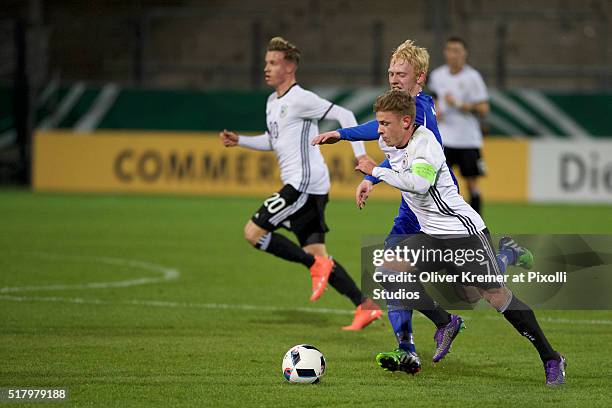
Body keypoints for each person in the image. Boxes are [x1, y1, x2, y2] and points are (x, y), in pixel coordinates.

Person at [355, 89, 566, 387]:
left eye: (385, 124)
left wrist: (373, 171)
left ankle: (551, 358)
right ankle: (446, 322)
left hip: (462, 233)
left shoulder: (425, 143)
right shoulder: (390, 141)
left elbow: (419, 183)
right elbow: (396, 164)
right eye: (378, 123)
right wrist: (370, 180)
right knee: (389, 269)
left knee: (492, 296)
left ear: (406, 121)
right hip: (430, 235)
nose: (379, 131)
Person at [313, 39, 464, 374]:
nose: (394, 78)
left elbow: (374, 133)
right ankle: (408, 348)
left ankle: (447, 321)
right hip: (413, 207)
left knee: (477, 281)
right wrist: (372, 179)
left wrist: (342, 134)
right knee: (390, 273)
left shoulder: (420, 108)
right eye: (391, 72)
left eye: (402, 73)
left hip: (438, 210)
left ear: (419, 78)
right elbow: (396, 154)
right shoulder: (402, 113)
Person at [219, 36, 382, 330]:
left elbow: (344, 114)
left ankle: (315, 267)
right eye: (266, 62)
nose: (266, 68)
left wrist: (361, 155)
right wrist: (240, 140)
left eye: (273, 63)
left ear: (290, 66)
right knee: (318, 254)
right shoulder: (273, 102)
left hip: (303, 185)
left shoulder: (301, 98)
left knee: (253, 233)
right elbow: (274, 139)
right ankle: (364, 305)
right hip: (309, 187)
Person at [429, 37, 490, 214]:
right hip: (444, 139)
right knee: (436, 183)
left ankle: (476, 229)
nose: (453, 54)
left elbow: (484, 109)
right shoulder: (437, 76)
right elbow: (434, 99)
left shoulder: (473, 77)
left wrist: (459, 104)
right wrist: (436, 109)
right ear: (445, 53)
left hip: (467, 139)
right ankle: (437, 225)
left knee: (472, 185)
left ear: (464, 53)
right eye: (450, 50)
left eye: (457, 51)